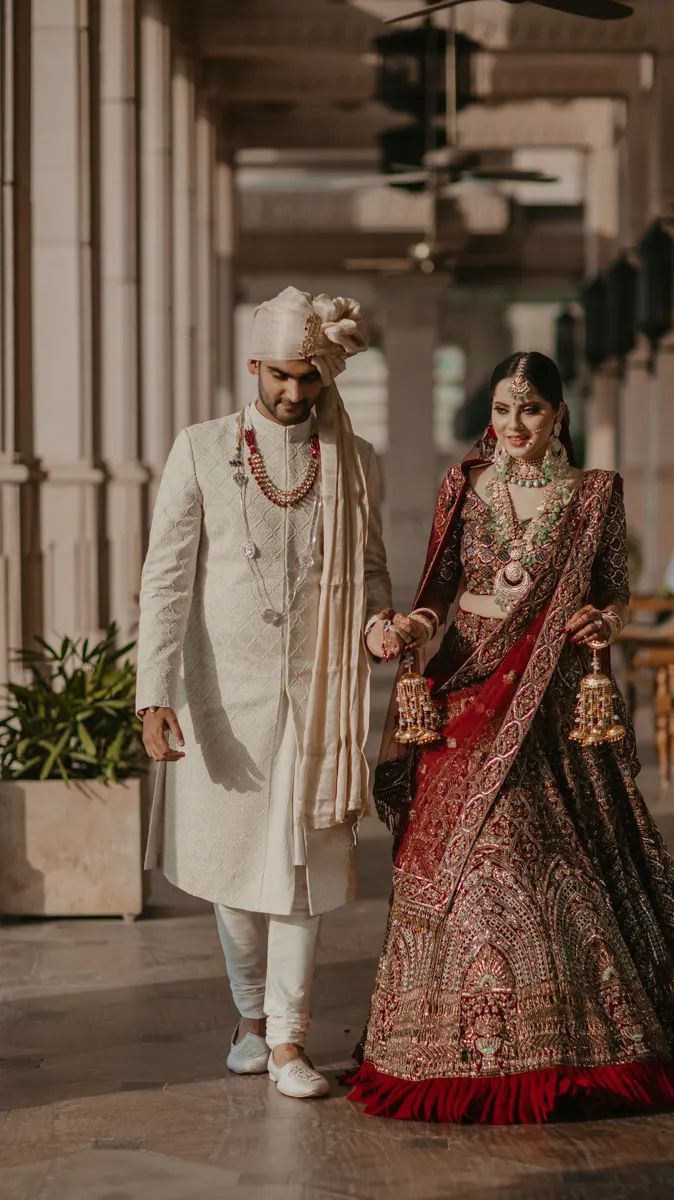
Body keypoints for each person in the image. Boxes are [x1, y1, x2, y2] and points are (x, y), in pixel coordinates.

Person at [347, 350, 674, 1124]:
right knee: (461, 856)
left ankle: (576, 1044)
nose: (512, 426)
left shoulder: (593, 496)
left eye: (529, 410)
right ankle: (439, 1044)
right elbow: (440, 590)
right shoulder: (464, 487)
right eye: (500, 410)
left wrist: (604, 620)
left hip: (551, 702)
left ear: (558, 416)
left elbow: (614, 594)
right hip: (466, 693)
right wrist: (407, 628)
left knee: (535, 852)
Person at [135, 286, 411, 1098]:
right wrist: (154, 693)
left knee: (305, 869)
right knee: (233, 874)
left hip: (321, 691)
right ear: (253, 366)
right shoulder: (200, 449)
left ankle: (289, 1042)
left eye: (312, 380)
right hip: (223, 693)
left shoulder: (355, 460)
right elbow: (164, 582)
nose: (296, 393)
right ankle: (250, 1018)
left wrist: (377, 624)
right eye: (284, 376)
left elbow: (371, 569)